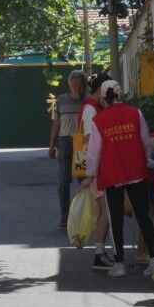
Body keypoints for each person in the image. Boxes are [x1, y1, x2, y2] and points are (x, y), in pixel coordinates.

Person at [84, 79, 154, 278]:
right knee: (143, 216)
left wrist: (90, 175)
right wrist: (144, 160)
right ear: (121, 95)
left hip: (112, 175)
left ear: (103, 98)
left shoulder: (99, 121)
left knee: (116, 219)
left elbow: (94, 152)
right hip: (136, 172)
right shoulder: (135, 113)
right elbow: (145, 141)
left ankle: (119, 263)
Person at [81, 73, 114, 269]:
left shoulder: (97, 107)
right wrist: (91, 172)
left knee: (106, 211)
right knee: (107, 211)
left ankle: (102, 251)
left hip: (98, 167)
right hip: (95, 168)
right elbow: (89, 141)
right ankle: (99, 253)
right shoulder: (90, 109)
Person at [48, 70, 87, 228]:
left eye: (79, 83)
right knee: (64, 181)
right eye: (74, 83)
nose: (77, 86)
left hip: (82, 142)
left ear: (84, 84)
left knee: (83, 181)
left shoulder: (88, 101)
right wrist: (52, 145)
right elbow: (56, 124)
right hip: (65, 142)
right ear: (69, 84)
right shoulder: (61, 100)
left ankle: (85, 214)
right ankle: (64, 216)